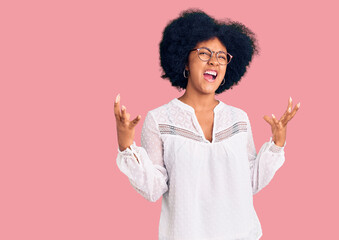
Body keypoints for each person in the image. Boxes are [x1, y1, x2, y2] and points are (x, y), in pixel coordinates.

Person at [114, 9, 300, 240]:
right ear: (185, 60)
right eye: (204, 53)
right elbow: (152, 189)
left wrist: (277, 144)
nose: (214, 61)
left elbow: (249, 183)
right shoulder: (160, 120)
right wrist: (126, 146)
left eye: (222, 56)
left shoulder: (238, 119)